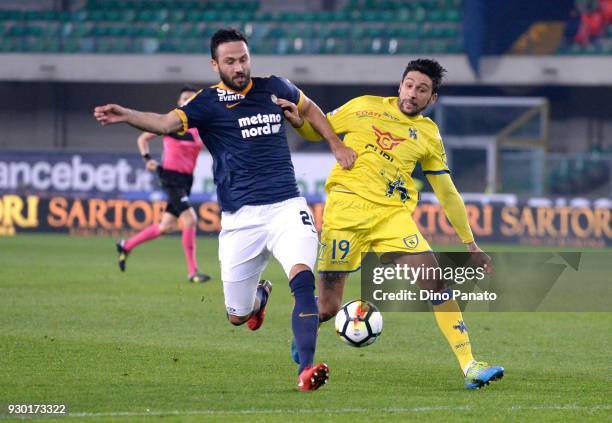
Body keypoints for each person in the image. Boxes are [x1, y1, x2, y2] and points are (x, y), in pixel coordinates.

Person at [94, 28, 357, 391]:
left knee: (303, 281)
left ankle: (306, 370)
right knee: (237, 316)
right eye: (230, 61)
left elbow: (309, 108)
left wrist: (335, 144)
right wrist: (126, 115)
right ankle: (259, 298)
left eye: (243, 59)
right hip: (240, 220)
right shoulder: (206, 103)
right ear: (215, 64)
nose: (239, 67)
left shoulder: (275, 87)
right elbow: (165, 123)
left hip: (286, 207)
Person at [279, 58, 504, 390]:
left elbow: (446, 190)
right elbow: (320, 128)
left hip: (391, 217)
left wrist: (470, 243)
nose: (413, 93)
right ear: (400, 85)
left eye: (422, 89)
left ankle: (469, 365)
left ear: (432, 99)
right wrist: (300, 123)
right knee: (327, 307)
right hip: (345, 213)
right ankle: (305, 334)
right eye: (410, 85)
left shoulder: (428, 135)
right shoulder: (364, 106)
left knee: (435, 281)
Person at [115, 85, 211, 284]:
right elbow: (143, 138)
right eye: (184, 97)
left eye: (191, 98)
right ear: (179, 102)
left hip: (186, 180)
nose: (187, 100)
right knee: (190, 219)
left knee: (166, 226)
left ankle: (126, 245)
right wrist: (147, 158)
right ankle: (192, 272)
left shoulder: (197, 130)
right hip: (170, 177)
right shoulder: (170, 124)